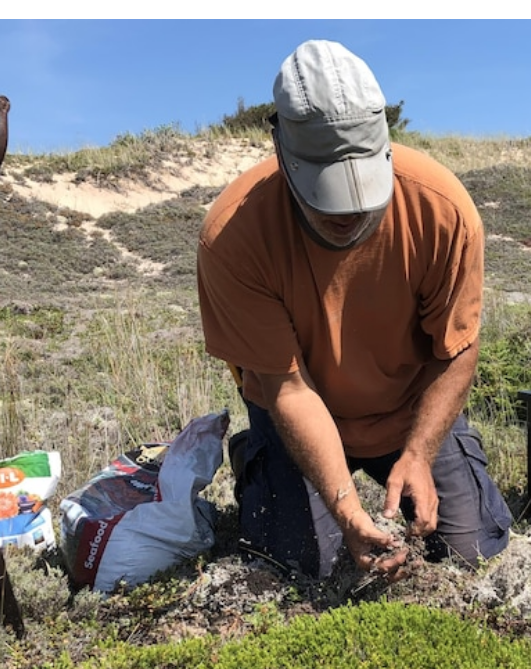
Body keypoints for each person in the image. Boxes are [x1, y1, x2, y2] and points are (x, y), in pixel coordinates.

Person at [197, 39, 513, 583]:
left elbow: (456, 349)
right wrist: (347, 507)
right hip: (300, 410)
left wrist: (419, 451)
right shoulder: (234, 236)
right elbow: (288, 388)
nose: (348, 213)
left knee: (472, 555)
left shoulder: (443, 210)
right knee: (303, 567)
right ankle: (265, 458)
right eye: (326, 193)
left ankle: (437, 453)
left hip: (410, 408)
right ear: (281, 149)